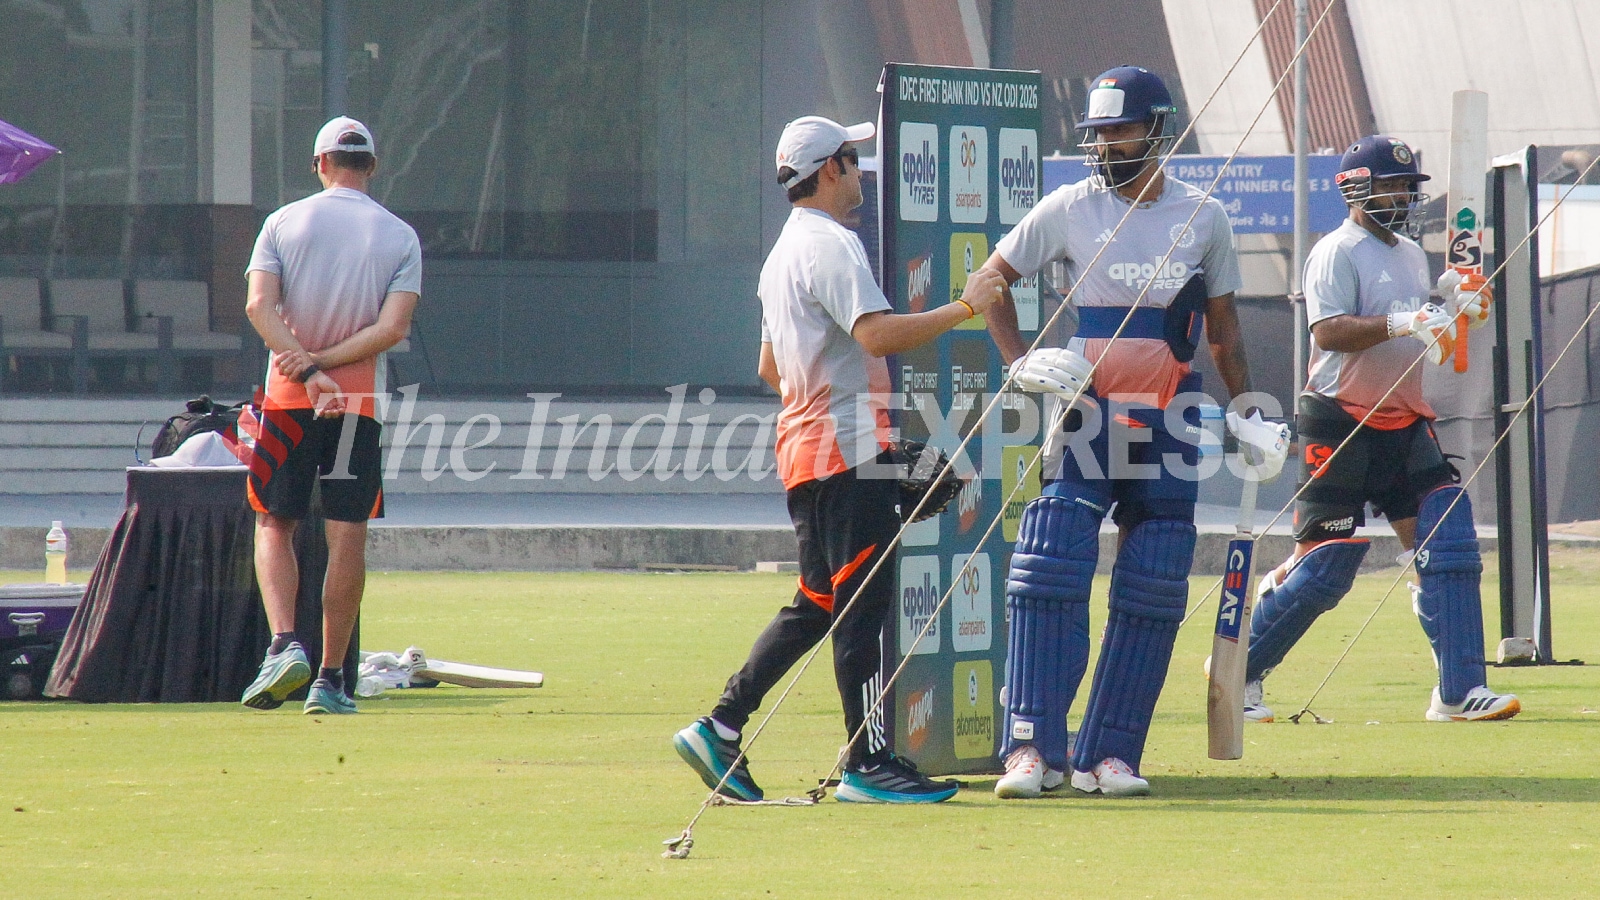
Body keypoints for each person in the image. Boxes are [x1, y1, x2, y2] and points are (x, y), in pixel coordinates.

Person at [672, 115, 1006, 803]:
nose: (859, 173)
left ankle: (722, 725)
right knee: (860, 603)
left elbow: (770, 366)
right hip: (844, 453)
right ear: (831, 169)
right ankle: (865, 761)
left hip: (810, 449)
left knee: (820, 601)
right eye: (853, 161)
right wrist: (965, 307)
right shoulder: (832, 243)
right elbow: (878, 336)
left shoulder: (783, 253)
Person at [977, 66, 1283, 799]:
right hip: (1088, 407)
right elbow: (988, 281)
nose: (1107, 143)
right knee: (1049, 566)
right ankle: (1030, 750)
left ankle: (1109, 754)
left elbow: (1224, 329)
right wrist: (1019, 363)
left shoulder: (1204, 216)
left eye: (1120, 129)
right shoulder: (1069, 207)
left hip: (1175, 412)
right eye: (1098, 132)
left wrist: (1248, 409)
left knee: (1154, 579)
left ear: (1157, 131)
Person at [1241, 134, 1519, 724]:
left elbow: (1425, 329)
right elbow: (1329, 332)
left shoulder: (1412, 254)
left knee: (1448, 537)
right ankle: (1237, 674)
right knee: (1325, 568)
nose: (1399, 196)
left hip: (1404, 419)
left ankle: (1459, 691)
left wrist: (1452, 305)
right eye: (1387, 186)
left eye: (1405, 186)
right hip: (1340, 419)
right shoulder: (1335, 251)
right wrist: (1403, 321)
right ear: (1354, 190)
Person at [239, 116, 422, 715]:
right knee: (347, 537)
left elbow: (259, 307)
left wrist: (307, 371)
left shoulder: (283, 222)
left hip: (289, 400)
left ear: (320, 163)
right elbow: (391, 329)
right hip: (359, 406)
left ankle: (284, 644)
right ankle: (331, 679)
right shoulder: (399, 235)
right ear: (371, 166)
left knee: (275, 522)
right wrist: (328, 368)